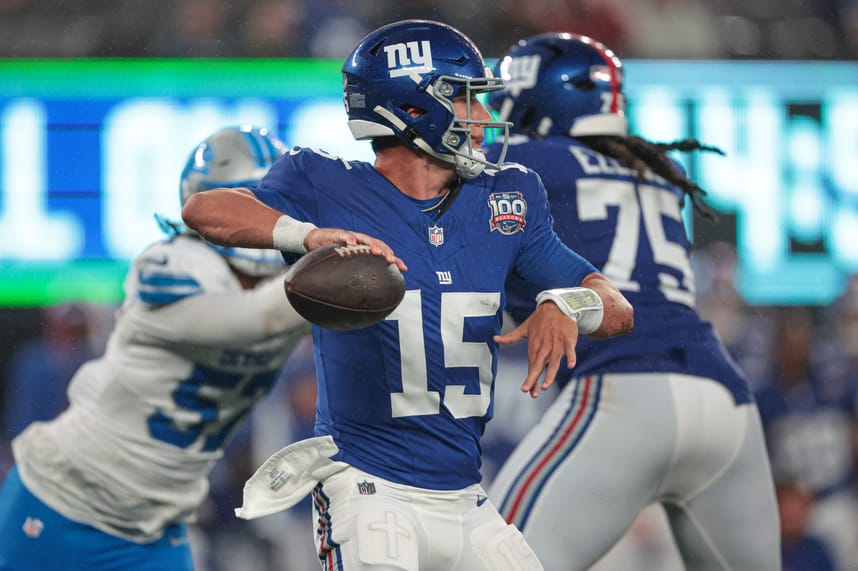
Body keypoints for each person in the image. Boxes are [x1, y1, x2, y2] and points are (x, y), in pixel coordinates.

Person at [181, 19, 633, 571]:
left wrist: (567, 305)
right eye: (467, 99)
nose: (485, 117)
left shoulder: (508, 197)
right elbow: (205, 210)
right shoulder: (323, 183)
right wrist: (308, 235)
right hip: (369, 488)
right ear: (415, 109)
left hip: (467, 498)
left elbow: (616, 307)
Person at [0, 125, 396, 571]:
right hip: (63, 501)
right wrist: (337, 273)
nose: (274, 217)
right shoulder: (171, 263)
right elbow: (248, 319)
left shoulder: (286, 285)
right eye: (258, 204)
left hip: (157, 526)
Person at [483, 33, 780, 571]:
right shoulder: (659, 172)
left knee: (490, 561)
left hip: (623, 392)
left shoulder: (522, 163)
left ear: (533, 102)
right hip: (723, 399)